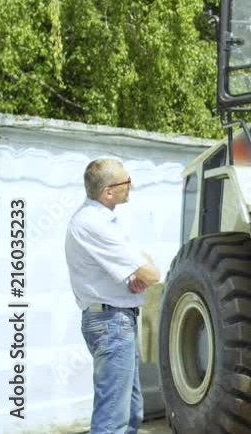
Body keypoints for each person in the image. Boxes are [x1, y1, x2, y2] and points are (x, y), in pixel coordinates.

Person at [65, 158, 160, 434]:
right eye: (126, 181)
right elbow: (152, 273)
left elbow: (132, 272)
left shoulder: (101, 221)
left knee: (131, 413)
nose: (131, 185)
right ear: (108, 192)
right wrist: (143, 270)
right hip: (111, 323)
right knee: (112, 420)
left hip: (116, 319)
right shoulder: (93, 223)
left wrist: (132, 279)